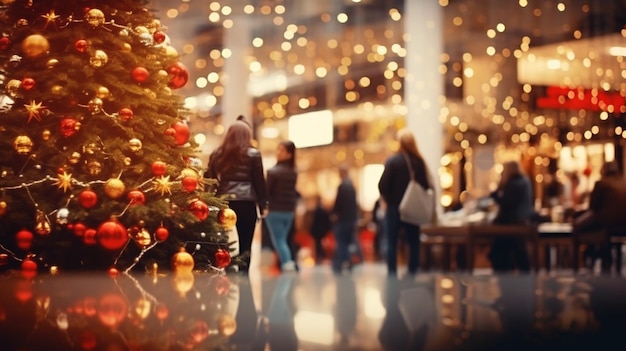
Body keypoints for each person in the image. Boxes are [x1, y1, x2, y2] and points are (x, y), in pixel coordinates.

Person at [204, 116, 269, 274]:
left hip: (225, 203)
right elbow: (259, 181)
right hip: (247, 204)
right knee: (246, 243)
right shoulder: (253, 154)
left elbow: (210, 179)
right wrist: (263, 205)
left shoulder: (217, 154)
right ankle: (243, 273)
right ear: (247, 135)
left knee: (224, 242)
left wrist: (209, 201)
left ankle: (225, 272)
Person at [377, 128, 433, 277]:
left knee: (391, 242)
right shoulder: (419, 162)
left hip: (394, 208)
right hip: (413, 208)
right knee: (413, 242)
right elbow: (426, 186)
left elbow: (382, 185)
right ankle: (412, 272)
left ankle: (392, 273)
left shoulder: (393, 161)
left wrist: (388, 199)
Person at [574, 160, 626, 272]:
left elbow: (592, 207)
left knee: (578, 225)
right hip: (623, 224)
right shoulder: (623, 182)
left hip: (606, 222)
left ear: (604, 171)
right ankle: (599, 256)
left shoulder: (601, 183)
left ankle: (580, 264)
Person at [487, 160, 534, 272]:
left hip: (511, 224)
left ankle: (507, 279)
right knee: (520, 254)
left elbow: (507, 203)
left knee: (503, 253)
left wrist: (495, 195)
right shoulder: (525, 181)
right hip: (522, 222)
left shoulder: (513, 184)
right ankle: (525, 282)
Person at [265, 140, 299, 272]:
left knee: (279, 241)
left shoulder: (273, 172)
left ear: (289, 154)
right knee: (282, 240)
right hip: (289, 212)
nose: (278, 152)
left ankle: (287, 264)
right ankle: (286, 262)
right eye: (278, 149)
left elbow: (268, 193)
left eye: (282, 150)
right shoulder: (294, 172)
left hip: (275, 212)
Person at [331, 165, 362, 274]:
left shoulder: (342, 187)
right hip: (351, 219)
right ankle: (348, 262)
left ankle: (342, 262)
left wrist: (334, 214)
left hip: (342, 219)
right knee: (349, 242)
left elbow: (338, 204)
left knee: (341, 242)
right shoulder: (352, 187)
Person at [310, 195, 331, 264]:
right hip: (322, 229)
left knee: (318, 244)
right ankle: (321, 256)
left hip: (318, 230)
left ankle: (319, 256)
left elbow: (314, 221)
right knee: (320, 244)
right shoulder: (324, 211)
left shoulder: (316, 211)